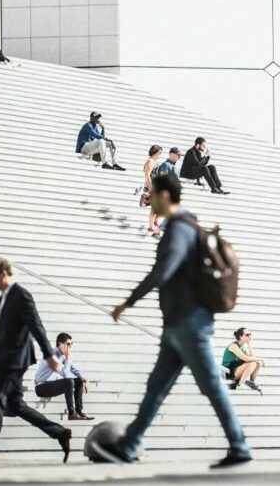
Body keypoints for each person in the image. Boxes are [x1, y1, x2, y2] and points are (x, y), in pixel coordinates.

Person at [103, 173, 251, 468]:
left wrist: (128, 302)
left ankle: (239, 445)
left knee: (210, 384)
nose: (149, 198)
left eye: (152, 193)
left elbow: (163, 270)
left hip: (190, 323)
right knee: (156, 386)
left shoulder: (181, 229)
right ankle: (130, 443)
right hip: (177, 324)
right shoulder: (181, 227)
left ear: (165, 196)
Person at [0, 258, 72, 465]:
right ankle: (60, 432)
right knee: (17, 405)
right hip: (6, 359)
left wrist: (49, 355)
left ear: (3, 273)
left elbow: (36, 326)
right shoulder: (3, 298)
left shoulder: (20, 295)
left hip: (15, 360)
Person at [34, 332, 94, 421]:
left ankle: (78, 412)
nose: (70, 347)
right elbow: (65, 374)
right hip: (41, 387)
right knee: (68, 381)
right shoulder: (52, 355)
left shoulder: (62, 355)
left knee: (79, 381)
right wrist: (67, 357)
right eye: (68, 344)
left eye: (71, 344)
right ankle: (71, 413)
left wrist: (85, 380)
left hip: (51, 385)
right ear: (61, 344)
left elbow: (73, 369)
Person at [222, 328, 266, 393]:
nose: (249, 336)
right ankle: (240, 384)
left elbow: (252, 357)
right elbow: (246, 358)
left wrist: (249, 344)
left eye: (250, 334)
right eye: (247, 335)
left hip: (237, 369)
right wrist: (261, 359)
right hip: (228, 372)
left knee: (257, 363)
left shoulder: (243, 347)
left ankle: (252, 383)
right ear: (240, 336)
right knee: (252, 363)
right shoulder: (233, 346)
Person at [142, 145, 163, 236]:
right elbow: (147, 175)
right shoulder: (150, 161)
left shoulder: (154, 161)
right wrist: (151, 188)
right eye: (159, 153)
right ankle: (151, 226)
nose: (160, 155)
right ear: (154, 152)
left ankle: (154, 223)